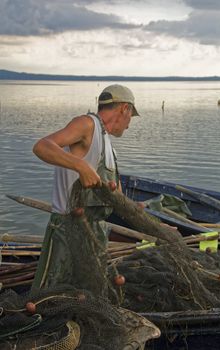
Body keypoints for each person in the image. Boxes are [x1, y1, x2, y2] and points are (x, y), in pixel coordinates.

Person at [31, 84, 139, 293]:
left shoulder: (108, 146)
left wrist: (153, 222)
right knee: (51, 298)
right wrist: (80, 166)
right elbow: (42, 146)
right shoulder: (86, 124)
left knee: (89, 298)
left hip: (94, 235)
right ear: (124, 109)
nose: (128, 125)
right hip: (67, 232)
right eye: (131, 117)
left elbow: (117, 198)